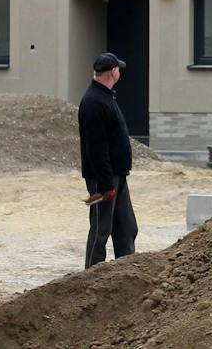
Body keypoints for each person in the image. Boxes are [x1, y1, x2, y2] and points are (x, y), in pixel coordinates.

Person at [78, 51, 137, 268]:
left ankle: (126, 271)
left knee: (127, 228)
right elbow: (96, 147)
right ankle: (91, 275)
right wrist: (105, 185)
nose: (119, 72)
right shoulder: (93, 102)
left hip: (117, 175)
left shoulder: (105, 97)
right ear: (113, 72)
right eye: (118, 69)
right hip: (104, 179)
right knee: (101, 231)